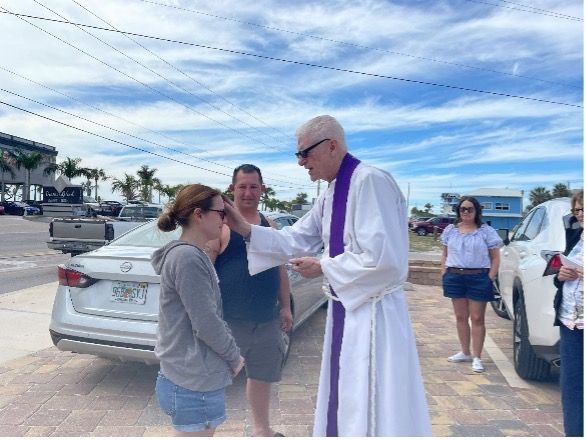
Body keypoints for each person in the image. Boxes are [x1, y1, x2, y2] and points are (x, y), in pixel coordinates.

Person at [223, 115, 431, 436]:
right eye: (298, 155)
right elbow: (296, 238)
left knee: (373, 396)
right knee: (346, 391)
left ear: (331, 145)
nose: (301, 162)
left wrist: (324, 266)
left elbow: (386, 260)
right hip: (345, 308)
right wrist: (245, 228)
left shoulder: (370, 181)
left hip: (375, 315)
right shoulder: (331, 193)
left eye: (304, 153)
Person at [151, 184, 245, 436]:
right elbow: (206, 322)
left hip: (190, 379)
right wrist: (234, 357)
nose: (224, 221)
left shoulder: (194, 255)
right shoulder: (187, 259)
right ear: (198, 214)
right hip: (192, 384)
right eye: (221, 213)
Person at [206, 164, 292, 437]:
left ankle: (261, 431)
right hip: (231, 322)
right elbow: (206, 273)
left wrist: (286, 307)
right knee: (214, 381)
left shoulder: (271, 226)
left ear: (262, 190)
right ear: (232, 189)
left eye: (254, 186)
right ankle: (204, 432)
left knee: (262, 377)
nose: (248, 192)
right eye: (242, 186)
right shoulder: (220, 227)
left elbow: (280, 269)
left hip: (266, 319)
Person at [440, 196, 503, 373]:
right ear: (458, 211)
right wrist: (444, 272)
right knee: (460, 317)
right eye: (463, 209)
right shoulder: (450, 230)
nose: (466, 212)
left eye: (470, 209)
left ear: (476, 211)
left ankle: (477, 356)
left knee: (477, 318)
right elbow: (444, 254)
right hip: (454, 276)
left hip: (478, 277)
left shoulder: (485, 231)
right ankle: (465, 352)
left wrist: (489, 277)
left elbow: (495, 257)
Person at [553, 189, 583, 437]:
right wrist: (562, 276)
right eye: (577, 210)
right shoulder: (576, 237)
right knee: (572, 389)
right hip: (570, 322)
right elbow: (559, 279)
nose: (581, 215)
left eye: (584, 209)